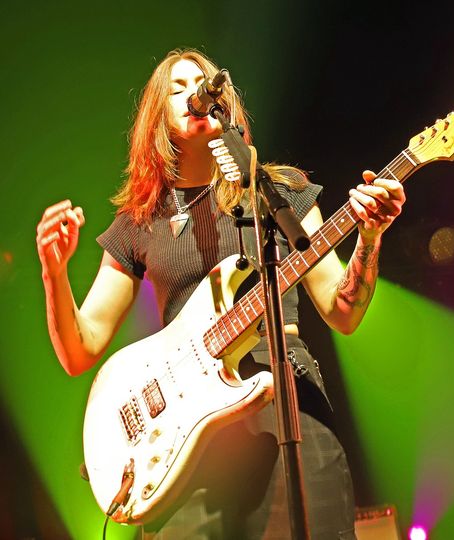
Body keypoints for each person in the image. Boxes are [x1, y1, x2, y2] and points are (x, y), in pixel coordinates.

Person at [36, 49, 405, 539]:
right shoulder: (139, 222)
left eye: (203, 83)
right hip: (183, 434)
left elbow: (344, 311)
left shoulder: (280, 192)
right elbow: (81, 348)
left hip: (284, 399)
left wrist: (369, 238)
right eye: (177, 88)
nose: (194, 92)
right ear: (158, 118)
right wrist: (54, 272)